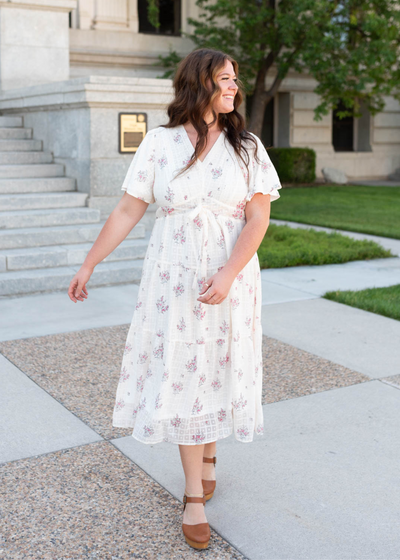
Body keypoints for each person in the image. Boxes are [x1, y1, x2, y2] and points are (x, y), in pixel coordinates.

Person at [68, 47, 282, 550]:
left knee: (215, 367)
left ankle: (208, 455)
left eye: (235, 79)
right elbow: (127, 209)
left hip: (232, 280)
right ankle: (193, 496)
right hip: (174, 282)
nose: (234, 87)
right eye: (225, 79)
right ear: (198, 84)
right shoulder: (159, 144)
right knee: (183, 372)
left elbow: (258, 218)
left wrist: (229, 272)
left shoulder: (248, 147)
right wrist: (89, 262)